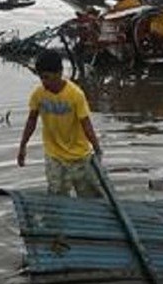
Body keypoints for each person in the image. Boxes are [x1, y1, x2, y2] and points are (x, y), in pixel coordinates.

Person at [17, 50, 103, 197]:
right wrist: (23, 146)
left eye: (47, 77)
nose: (44, 82)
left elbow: (86, 124)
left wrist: (97, 148)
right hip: (54, 155)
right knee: (57, 194)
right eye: (41, 78)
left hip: (79, 155)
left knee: (90, 196)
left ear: (59, 73)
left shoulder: (75, 95)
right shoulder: (39, 94)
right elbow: (31, 120)